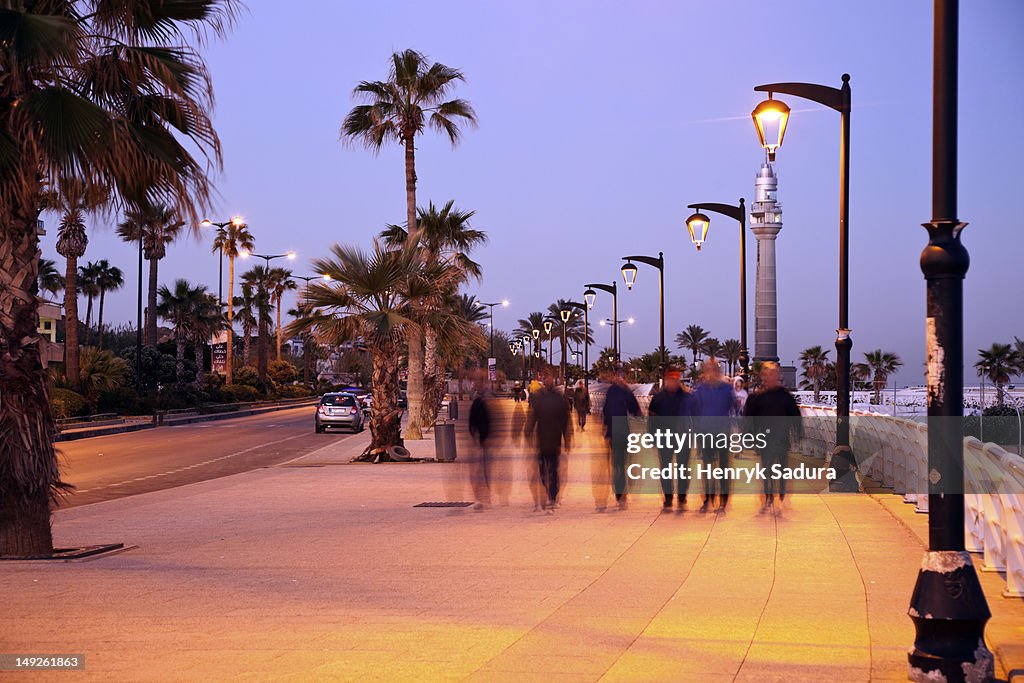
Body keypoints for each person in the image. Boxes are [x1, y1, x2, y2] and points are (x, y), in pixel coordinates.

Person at [744, 361, 802, 514]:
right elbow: (749, 419)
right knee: (767, 470)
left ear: (778, 376)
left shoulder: (785, 397)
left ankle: (781, 497)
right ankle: (769, 498)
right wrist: (749, 436)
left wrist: (798, 433)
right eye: (768, 374)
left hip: (782, 439)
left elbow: (795, 416)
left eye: (774, 374)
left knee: (782, 470)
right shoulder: (757, 398)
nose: (771, 377)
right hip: (764, 440)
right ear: (763, 376)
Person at [524, 369, 572, 514]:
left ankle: (552, 496)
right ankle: (550, 494)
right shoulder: (539, 398)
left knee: (553, 470)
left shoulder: (559, 399)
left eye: (549, 378)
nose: (547, 380)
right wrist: (528, 430)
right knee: (544, 472)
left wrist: (567, 438)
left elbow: (566, 420)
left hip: (554, 440)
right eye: (545, 378)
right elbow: (533, 416)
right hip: (543, 441)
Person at [693, 358, 735, 514]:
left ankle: (723, 502)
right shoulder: (701, 390)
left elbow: (731, 407)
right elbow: (695, 411)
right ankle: (707, 500)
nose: (712, 372)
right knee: (707, 469)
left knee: (723, 468)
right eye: (708, 369)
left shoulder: (726, 389)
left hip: (722, 433)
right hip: (705, 433)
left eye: (714, 368)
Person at [648, 367, 693, 512]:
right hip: (664, 438)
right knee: (666, 469)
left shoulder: (687, 397)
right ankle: (668, 499)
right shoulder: (659, 398)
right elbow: (652, 418)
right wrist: (652, 436)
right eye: (671, 378)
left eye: (676, 378)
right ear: (667, 380)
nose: (673, 381)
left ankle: (681, 498)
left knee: (682, 470)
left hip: (683, 438)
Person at [602, 368, 642, 511]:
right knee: (619, 465)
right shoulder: (615, 391)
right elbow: (607, 411)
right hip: (616, 433)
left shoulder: (623, 391)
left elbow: (635, 409)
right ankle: (620, 495)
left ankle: (622, 492)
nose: (619, 378)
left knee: (621, 464)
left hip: (622, 433)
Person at [467, 376, 494, 510]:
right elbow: (472, 421)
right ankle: (481, 496)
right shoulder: (478, 402)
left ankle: (484, 496)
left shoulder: (483, 401)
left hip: (485, 440)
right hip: (481, 440)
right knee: (481, 470)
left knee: (483, 470)